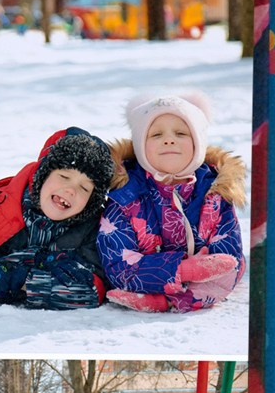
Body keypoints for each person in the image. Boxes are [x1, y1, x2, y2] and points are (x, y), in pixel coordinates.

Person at [98, 91, 247, 313]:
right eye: (156, 135)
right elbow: (117, 263)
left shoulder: (216, 192)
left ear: (198, 143)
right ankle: (159, 292)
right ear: (140, 146)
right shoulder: (125, 194)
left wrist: (207, 270)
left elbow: (228, 257)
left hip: (206, 282)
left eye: (181, 133)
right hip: (144, 277)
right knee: (121, 273)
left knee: (231, 268)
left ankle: (165, 302)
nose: (169, 139)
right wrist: (184, 270)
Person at [0, 128, 115, 310]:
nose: (71, 190)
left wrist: (25, 282)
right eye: (64, 176)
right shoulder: (2, 209)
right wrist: (38, 259)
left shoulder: (92, 228)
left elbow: (90, 290)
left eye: (85, 188)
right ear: (43, 174)